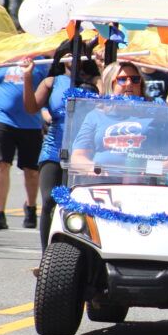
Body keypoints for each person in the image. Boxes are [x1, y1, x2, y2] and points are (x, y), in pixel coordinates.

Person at [21, 51, 100, 254]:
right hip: (54, 149)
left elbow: (108, 98)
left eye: (78, 53)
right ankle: (47, 254)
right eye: (67, 53)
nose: (73, 57)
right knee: (49, 200)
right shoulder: (51, 81)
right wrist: (27, 76)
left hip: (84, 152)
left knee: (78, 203)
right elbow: (30, 108)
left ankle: (77, 253)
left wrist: (100, 67)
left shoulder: (94, 80)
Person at [0, 57, 47, 230]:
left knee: (32, 171)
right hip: (3, 119)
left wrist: (47, 113)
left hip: (30, 123)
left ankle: (31, 207)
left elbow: (47, 90)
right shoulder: (5, 58)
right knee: (2, 164)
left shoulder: (41, 63)